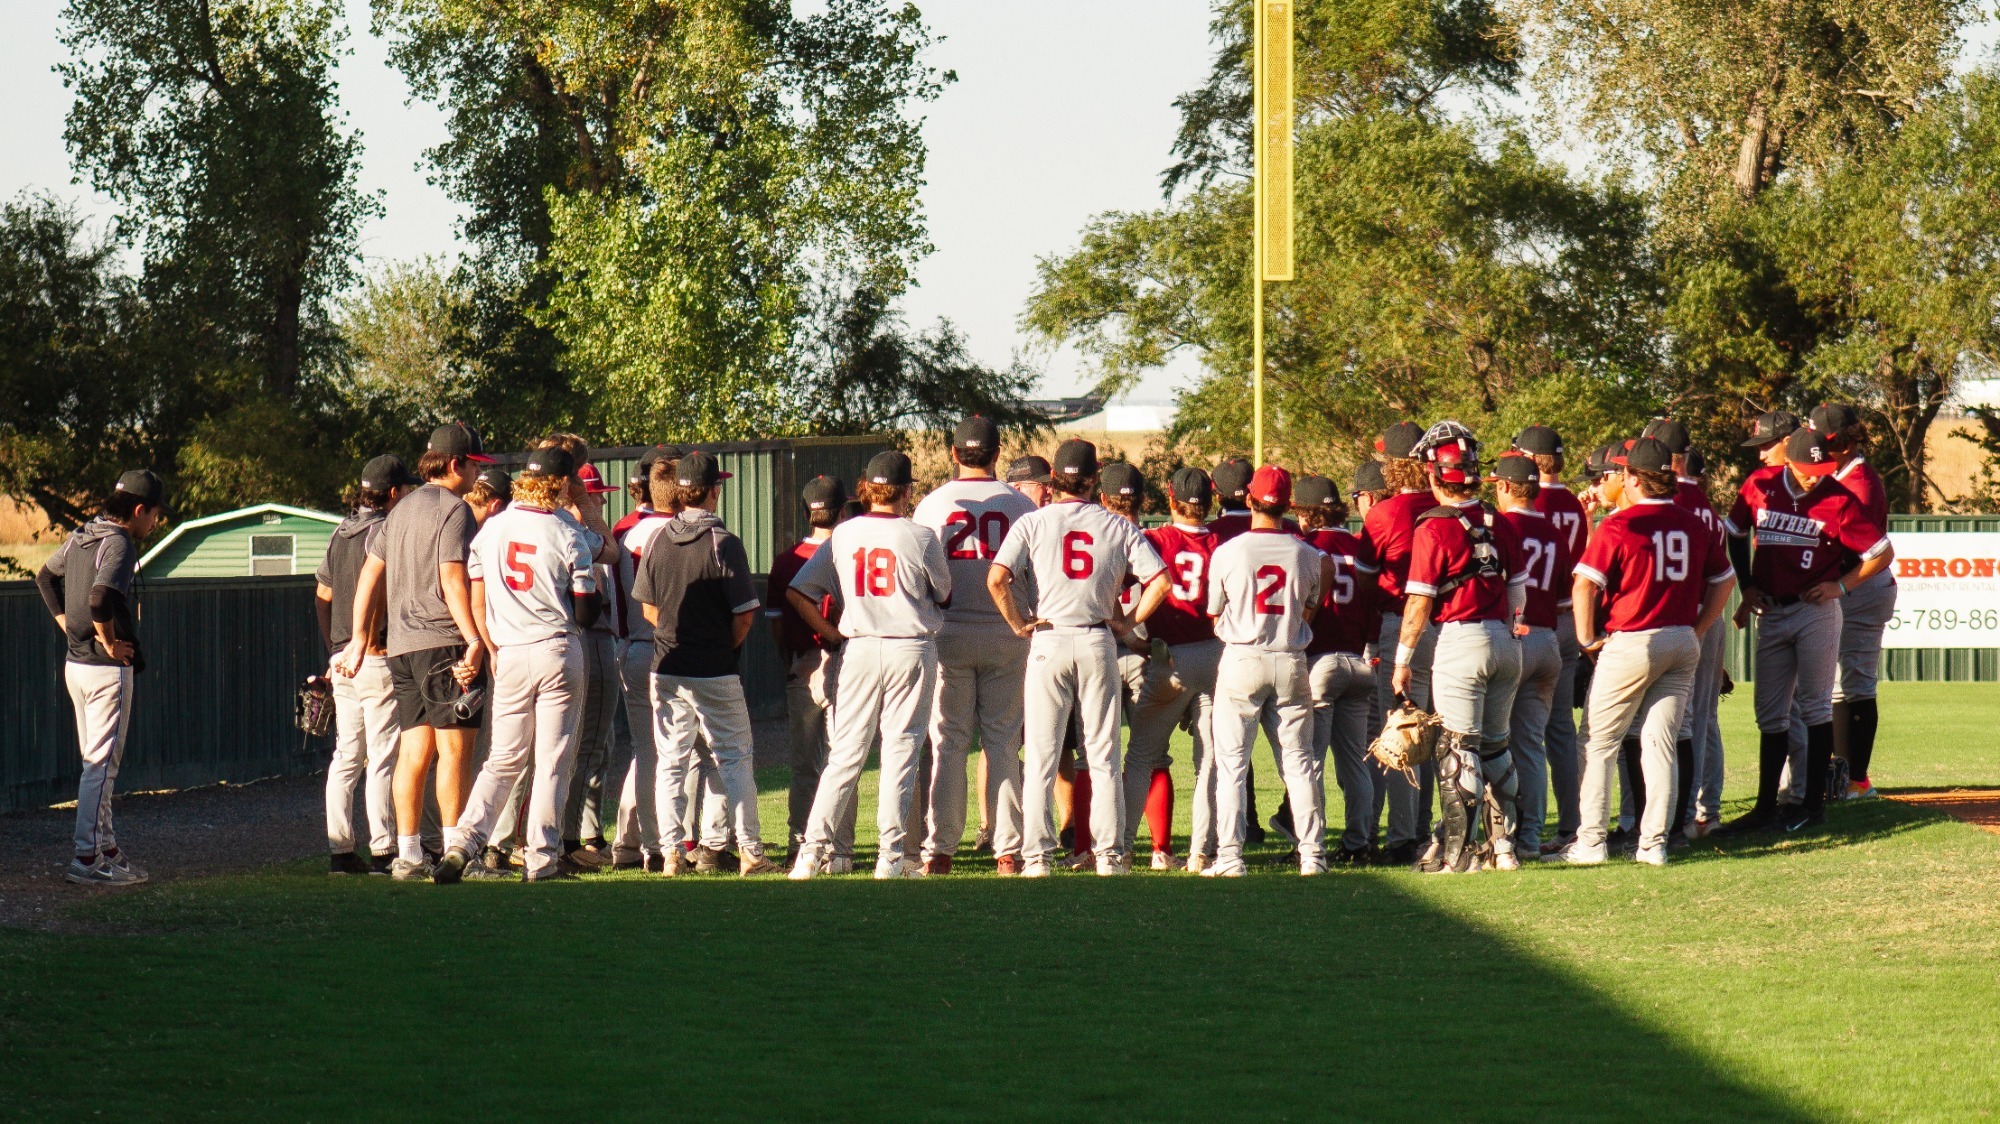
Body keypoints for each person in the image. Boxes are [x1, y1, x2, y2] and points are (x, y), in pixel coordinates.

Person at [1550, 437, 1736, 866]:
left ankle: (1591, 842)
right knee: (1660, 744)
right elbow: (1724, 580)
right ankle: (1654, 844)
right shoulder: (1693, 521)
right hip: (1681, 640)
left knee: (1597, 742)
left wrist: (1585, 640)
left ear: (1632, 477)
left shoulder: (1620, 524)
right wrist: (1699, 627)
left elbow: (1584, 585)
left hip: (1634, 638)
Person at [989, 438, 1169, 877]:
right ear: (1095, 479)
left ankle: (1037, 858)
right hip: (1096, 640)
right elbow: (1161, 581)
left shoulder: (1033, 522)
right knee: (1103, 753)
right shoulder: (1116, 524)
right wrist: (1127, 623)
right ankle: (1109, 857)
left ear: (1054, 479)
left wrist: (1018, 624)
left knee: (1042, 756)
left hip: (1049, 638)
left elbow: (997, 579)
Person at [434, 446, 602, 883]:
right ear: (563, 483)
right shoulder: (566, 529)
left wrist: (487, 645)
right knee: (551, 760)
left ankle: (462, 843)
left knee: (502, 759)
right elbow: (586, 613)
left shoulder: (494, 526)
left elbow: (478, 591)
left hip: (507, 651)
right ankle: (542, 860)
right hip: (556, 647)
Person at [1715, 426, 1894, 835]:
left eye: (1822, 467)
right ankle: (1765, 808)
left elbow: (1881, 553)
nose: (1816, 474)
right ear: (1790, 461)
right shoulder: (1760, 484)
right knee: (1770, 713)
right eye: (1809, 467)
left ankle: (1811, 806)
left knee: (1814, 706)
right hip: (1773, 611)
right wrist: (1747, 584)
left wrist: (1843, 585)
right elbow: (1735, 532)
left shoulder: (1837, 497)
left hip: (1816, 610)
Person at [336, 422, 494, 881]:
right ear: (454, 464)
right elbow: (451, 579)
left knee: (413, 753)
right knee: (455, 753)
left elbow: (368, 576)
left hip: (401, 649)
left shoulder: (398, 511)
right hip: (442, 642)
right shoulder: (455, 510)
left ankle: (407, 856)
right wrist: (474, 640)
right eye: (474, 466)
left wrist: (358, 640)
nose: (476, 477)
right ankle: (455, 854)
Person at [787, 451, 952, 880]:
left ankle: (811, 854)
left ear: (867, 487)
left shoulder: (842, 534)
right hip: (909, 646)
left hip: (859, 646)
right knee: (900, 752)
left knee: (844, 756)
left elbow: (799, 590)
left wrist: (833, 631)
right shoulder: (921, 535)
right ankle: (891, 858)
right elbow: (944, 595)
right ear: (907, 489)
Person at [633, 450, 778, 876]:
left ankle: (671, 853)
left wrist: (680, 637)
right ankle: (750, 851)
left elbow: (648, 610)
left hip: (668, 665)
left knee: (672, 762)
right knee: (734, 757)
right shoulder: (723, 542)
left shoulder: (658, 538)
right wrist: (721, 648)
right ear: (714, 491)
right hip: (713, 665)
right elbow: (745, 615)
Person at [1394, 422, 1526, 874]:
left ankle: (1456, 856)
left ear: (1435, 473)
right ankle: (1503, 849)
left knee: (1457, 752)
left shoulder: (1432, 527)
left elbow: (1418, 602)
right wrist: (1509, 630)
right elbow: (1519, 593)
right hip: (1507, 643)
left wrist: (1402, 661)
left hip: (1461, 640)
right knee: (1496, 750)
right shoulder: (1500, 522)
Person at [913, 417, 1040, 875]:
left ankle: (941, 848)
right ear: (997, 452)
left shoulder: (932, 503)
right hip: (1007, 631)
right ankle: (1008, 848)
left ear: (953, 453)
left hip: (948, 632)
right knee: (1003, 743)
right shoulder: (1020, 503)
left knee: (947, 743)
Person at [37, 470, 167, 887]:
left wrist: (67, 626)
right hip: (105, 672)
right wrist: (109, 642)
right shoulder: (119, 542)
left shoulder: (83, 534)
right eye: (155, 514)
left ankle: (106, 847)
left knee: (95, 765)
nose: (155, 522)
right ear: (138, 509)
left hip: (75, 666)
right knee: (101, 767)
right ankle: (87, 858)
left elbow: (45, 576)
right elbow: (99, 598)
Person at [1205, 466, 1332, 877]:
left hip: (1242, 654)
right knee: (1299, 763)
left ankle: (1230, 857)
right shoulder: (1306, 552)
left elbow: (1213, 612)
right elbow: (1312, 602)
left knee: (1233, 764)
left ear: (1249, 500)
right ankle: (1312, 855)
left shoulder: (1230, 550)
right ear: (1289, 504)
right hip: (1290, 657)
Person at [316, 455, 416, 875]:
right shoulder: (386, 529)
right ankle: (382, 849)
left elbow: (321, 594)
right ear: (393, 493)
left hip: (343, 657)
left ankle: (340, 851)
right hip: (373, 654)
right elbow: (376, 591)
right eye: (405, 489)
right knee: (382, 756)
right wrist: (369, 641)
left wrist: (336, 648)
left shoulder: (342, 530)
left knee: (346, 757)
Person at [1122, 467, 1223, 871]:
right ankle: (1201, 850)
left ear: (1169, 498)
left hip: (1169, 657)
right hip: (1215, 654)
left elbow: (1112, 585)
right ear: (1211, 501)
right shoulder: (1225, 544)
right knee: (1211, 760)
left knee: (1142, 757)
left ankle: (1122, 849)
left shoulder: (1153, 540)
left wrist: (1129, 631)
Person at [1641, 417, 1729, 842]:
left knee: (1679, 723)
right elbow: (1725, 574)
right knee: (1704, 717)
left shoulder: (1672, 501)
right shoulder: (1708, 506)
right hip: (1709, 616)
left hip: (1679, 617)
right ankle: (1706, 812)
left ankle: (1677, 819)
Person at [769, 474, 857, 871]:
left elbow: (775, 624)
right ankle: (840, 849)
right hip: (847, 661)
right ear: (842, 510)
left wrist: (787, 661)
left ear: (808, 513)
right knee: (845, 758)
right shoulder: (854, 550)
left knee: (805, 764)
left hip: (803, 663)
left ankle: (799, 843)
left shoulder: (787, 560)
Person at [1810, 403, 1896, 800]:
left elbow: (1868, 551)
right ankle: (1839, 776)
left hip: (1861, 586)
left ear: (1843, 443)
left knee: (1851, 684)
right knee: (1833, 685)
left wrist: (1840, 587)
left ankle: (1856, 780)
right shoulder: (1838, 473)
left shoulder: (1858, 481)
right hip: (1850, 585)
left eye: (1824, 442)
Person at [1292, 474, 1379, 866]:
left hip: (1320, 663)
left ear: (1306, 514)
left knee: (1309, 762)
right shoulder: (1361, 545)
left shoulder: (1306, 547)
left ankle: (1312, 846)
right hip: (1359, 662)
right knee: (1355, 763)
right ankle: (1360, 841)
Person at [1362, 420, 1438, 864]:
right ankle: (1428, 828)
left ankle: (1403, 837)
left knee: (1401, 735)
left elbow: (1366, 585)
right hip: (1445, 627)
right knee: (1433, 731)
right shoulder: (1451, 506)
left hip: (1400, 625)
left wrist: (1371, 638)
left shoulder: (1383, 514)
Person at [1514, 425, 1588, 855]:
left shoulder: (1526, 502)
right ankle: (1571, 822)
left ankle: (1516, 824)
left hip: (1526, 621)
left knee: (1511, 731)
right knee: (1559, 729)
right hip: (1563, 615)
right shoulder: (1575, 506)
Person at [1491, 452, 1569, 858]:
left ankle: (1499, 835)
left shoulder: (1501, 526)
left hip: (1511, 636)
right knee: (1531, 745)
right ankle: (1531, 837)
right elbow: (1562, 601)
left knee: (1494, 743)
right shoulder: (1555, 532)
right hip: (1547, 640)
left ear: (1504, 486)